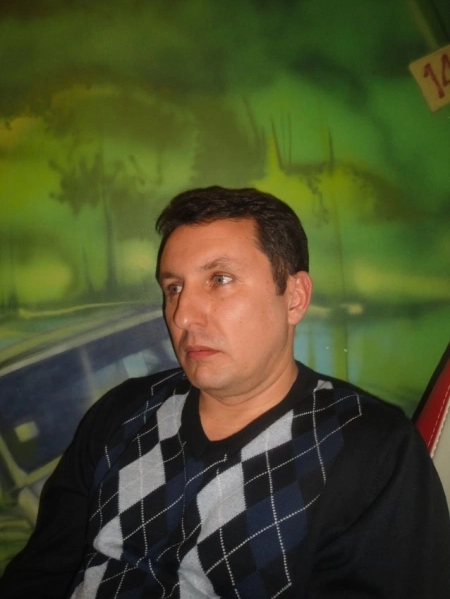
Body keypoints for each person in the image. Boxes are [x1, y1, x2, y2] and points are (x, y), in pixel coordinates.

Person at [1, 186, 449, 598]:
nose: (182, 315)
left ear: (294, 297)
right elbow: (42, 572)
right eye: (174, 287)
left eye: (219, 279)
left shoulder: (370, 449)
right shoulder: (121, 413)